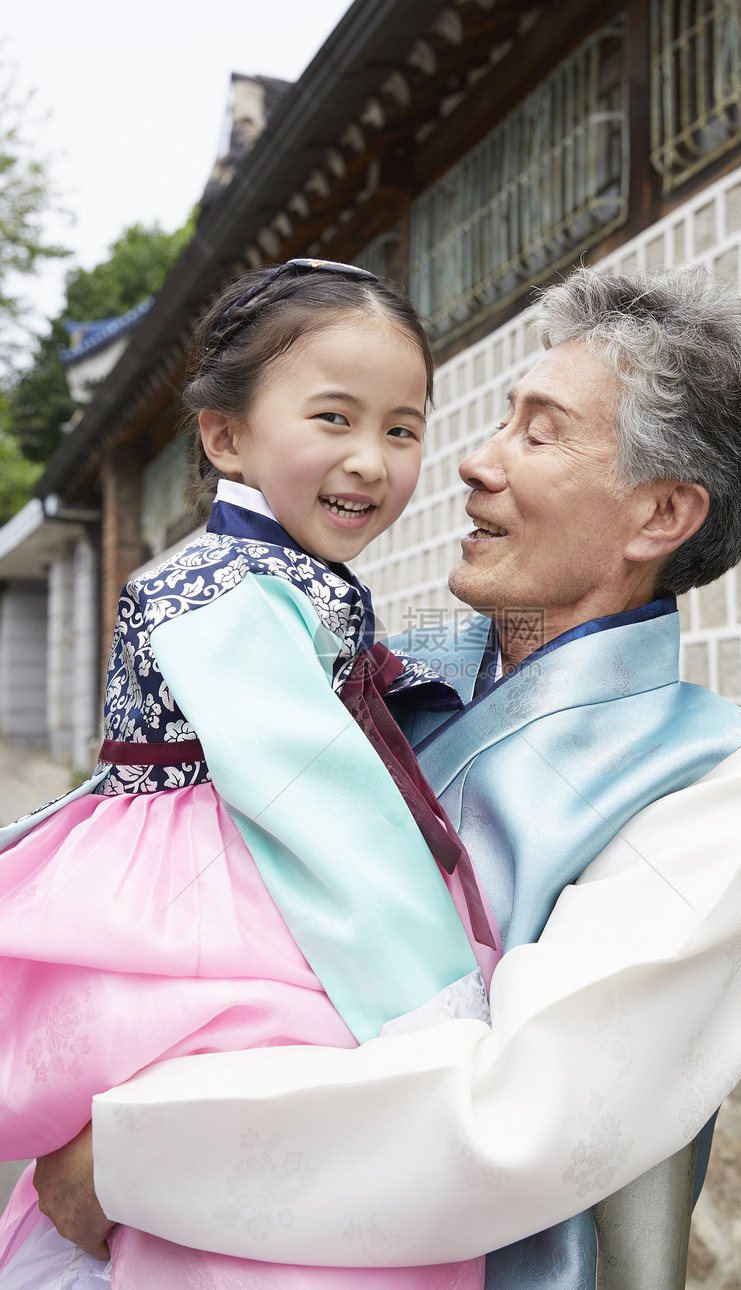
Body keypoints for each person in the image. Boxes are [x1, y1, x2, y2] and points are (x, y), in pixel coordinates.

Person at [33, 267, 741, 1289]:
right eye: (494, 421)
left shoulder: (711, 788)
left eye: (535, 433)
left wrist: (130, 1160)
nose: (472, 463)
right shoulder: (378, 680)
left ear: (656, 516)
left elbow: (523, 1120)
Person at [0, 259, 500, 1290]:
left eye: (401, 429)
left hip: (226, 866)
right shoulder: (219, 587)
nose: (370, 460)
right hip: (218, 882)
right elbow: (311, 794)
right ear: (225, 436)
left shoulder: (285, 577)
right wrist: (434, 1003)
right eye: (333, 418)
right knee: (277, 1104)